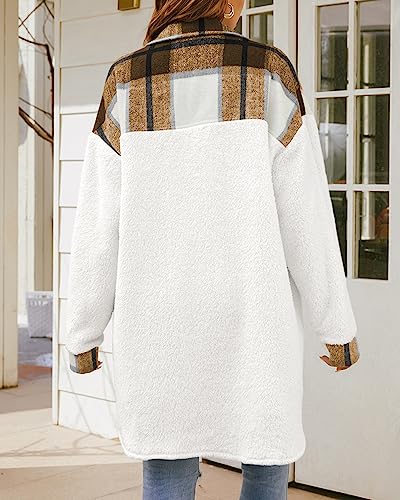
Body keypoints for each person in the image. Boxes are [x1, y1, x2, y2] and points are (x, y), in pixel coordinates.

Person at [65, 1, 360, 499]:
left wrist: (83, 333)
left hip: (160, 324)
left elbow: (97, 226)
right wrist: (337, 328)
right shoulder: (267, 72)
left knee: (167, 464)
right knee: (266, 457)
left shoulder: (126, 82)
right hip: (254, 319)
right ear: (225, 4)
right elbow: (307, 215)